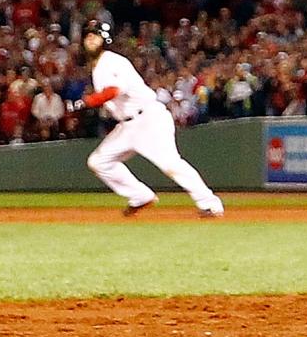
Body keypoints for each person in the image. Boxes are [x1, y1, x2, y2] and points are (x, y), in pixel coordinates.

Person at [76, 24, 225, 219]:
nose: (91, 40)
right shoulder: (97, 67)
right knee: (99, 162)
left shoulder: (112, 62)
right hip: (127, 125)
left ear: (105, 40)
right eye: (88, 37)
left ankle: (211, 204)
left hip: (148, 119)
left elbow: (113, 91)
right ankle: (139, 196)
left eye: (95, 36)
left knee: (170, 163)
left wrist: (87, 101)